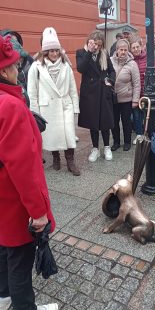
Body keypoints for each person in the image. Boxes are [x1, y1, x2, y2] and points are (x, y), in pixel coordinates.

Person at [0, 35, 57, 310]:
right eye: (14, 66)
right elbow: (23, 168)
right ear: (4, 71)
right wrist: (38, 212)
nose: (19, 71)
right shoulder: (10, 107)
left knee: (4, 251)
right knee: (20, 263)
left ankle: (2, 297)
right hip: (14, 202)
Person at [27, 27, 80, 175]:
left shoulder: (66, 65)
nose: (55, 53)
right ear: (45, 51)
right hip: (47, 107)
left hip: (64, 105)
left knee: (69, 134)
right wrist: (35, 112)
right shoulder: (36, 67)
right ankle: (56, 158)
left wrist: (75, 107)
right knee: (52, 136)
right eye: (51, 51)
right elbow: (32, 92)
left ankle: (70, 161)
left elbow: (72, 88)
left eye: (56, 50)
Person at [76, 30, 116, 162]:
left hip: (103, 91)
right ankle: (95, 148)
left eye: (99, 45)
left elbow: (111, 71)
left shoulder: (104, 53)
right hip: (90, 93)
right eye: (95, 44)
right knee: (93, 122)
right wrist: (89, 52)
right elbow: (81, 68)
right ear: (89, 42)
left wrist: (110, 81)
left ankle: (106, 147)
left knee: (105, 121)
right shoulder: (81, 53)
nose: (97, 47)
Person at [111, 38, 140, 151]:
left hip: (127, 98)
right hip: (113, 98)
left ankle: (127, 142)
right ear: (117, 50)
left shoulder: (132, 64)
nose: (123, 52)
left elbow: (136, 83)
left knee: (126, 121)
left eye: (125, 50)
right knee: (114, 122)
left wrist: (135, 100)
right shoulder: (110, 61)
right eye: (121, 49)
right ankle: (116, 142)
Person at [130, 35, 155, 144]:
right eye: (133, 48)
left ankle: (148, 132)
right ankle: (139, 134)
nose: (136, 49)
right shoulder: (130, 60)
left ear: (141, 46)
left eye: (137, 47)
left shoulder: (148, 57)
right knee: (136, 115)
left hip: (147, 91)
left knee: (147, 114)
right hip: (136, 92)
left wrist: (149, 75)